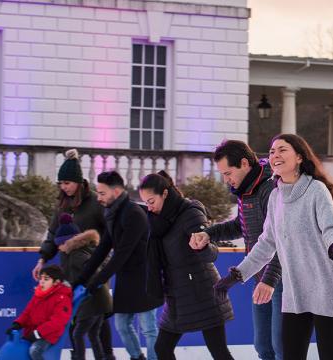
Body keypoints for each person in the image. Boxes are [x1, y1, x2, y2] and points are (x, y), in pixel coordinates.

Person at [215, 134, 333, 360]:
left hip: (325, 287)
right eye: (272, 152)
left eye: (282, 150)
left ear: (299, 157)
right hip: (295, 292)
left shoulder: (316, 190)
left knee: (331, 356)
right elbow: (266, 243)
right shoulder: (276, 196)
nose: (275, 155)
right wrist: (235, 276)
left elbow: (330, 228)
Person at [189, 140, 282, 360]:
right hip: (260, 275)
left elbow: (281, 239)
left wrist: (269, 280)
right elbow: (240, 225)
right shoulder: (245, 190)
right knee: (263, 346)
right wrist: (209, 234)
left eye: (228, 172)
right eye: (222, 174)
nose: (226, 179)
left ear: (244, 163)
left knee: (282, 347)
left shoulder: (271, 188)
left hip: (280, 278)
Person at [139, 171, 234, 360]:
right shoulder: (159, 221)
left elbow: (212, 253)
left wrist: (202, 247)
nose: (149, 208)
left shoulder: (189, 213)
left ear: (165, 194)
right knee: (162, 349)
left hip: (202, 292)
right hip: (177, 294)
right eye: (146, 202)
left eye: (151, 201)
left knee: (219, 352)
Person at [31, 149, 114, 360]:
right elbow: (51, 235)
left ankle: (106, 356)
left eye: (67, 183)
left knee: (98, 318)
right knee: (71, 317)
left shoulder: (96, 203)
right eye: (61, 183)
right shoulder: (62, 206)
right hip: (69, 269)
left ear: (78, 182)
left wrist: (104, 260)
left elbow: (112, 234)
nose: (63, 187)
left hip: (94, 269)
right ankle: (78, 356)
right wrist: (42, 259)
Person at [74, 171, 164, 360]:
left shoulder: (133, 213)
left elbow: (122, 253)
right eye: (97, 193)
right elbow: (104, 248)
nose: (98, 198)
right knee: (122, 325)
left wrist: (97, 281)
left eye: (102, 193)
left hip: (145, 277)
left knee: (148, 327)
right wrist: (81, 279)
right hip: (127, 277)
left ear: (116, 191)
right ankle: (137, 357)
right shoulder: (112, 213)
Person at [55, 213, 113, 360]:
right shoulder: (90, 248)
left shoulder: (77, 255)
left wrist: (79, 287)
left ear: (66, 242)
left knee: (78, 334)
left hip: (91, 301)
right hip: (102, 300)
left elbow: (93, 275)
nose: (59, 248)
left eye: (59, 245)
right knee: (93, 334)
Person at [6, 265, 72, 360]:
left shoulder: (62, 298)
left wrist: (38, 333)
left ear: (56, 282)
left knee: (34, 351)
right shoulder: (39, 294)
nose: (42, 281)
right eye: (41, 278)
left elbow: (57, 322)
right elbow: (28, 312)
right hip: (33, 332)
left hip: (48, 335)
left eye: (46, 279)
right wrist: (18, 324)